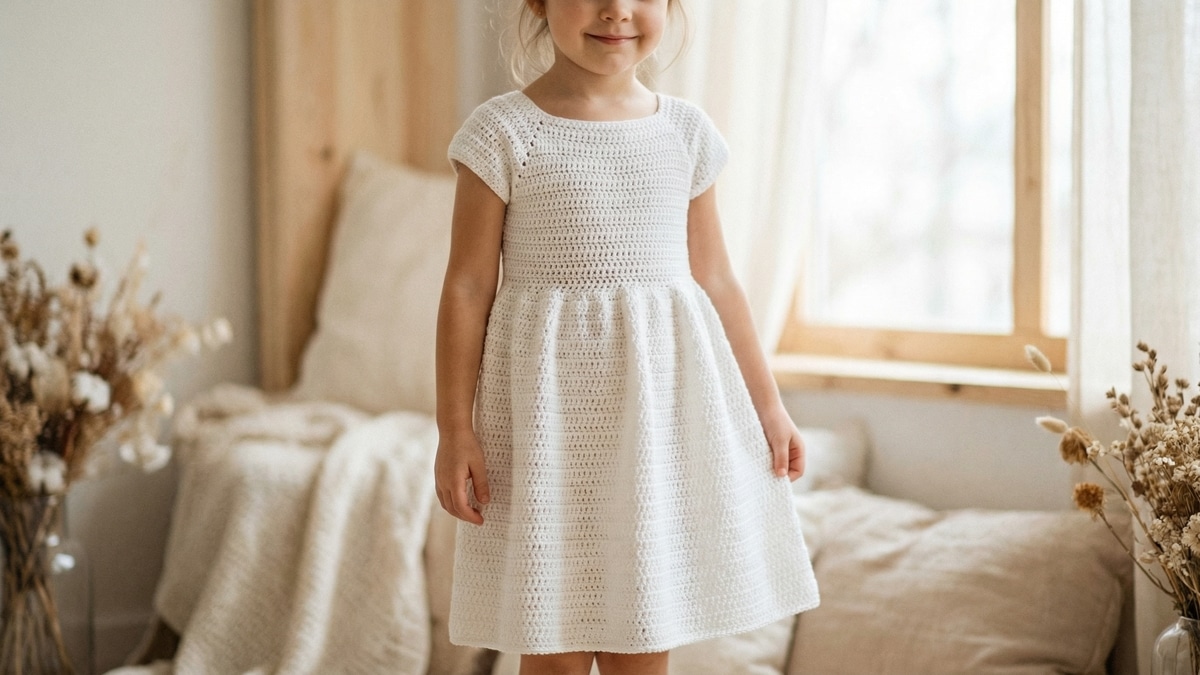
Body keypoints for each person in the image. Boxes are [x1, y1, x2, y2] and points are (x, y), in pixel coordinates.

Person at [434, 1, 819, 673]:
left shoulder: (686, 133)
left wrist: (770, 405)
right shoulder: (502, 132)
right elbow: (467, 287)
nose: (618, 10)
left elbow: (719, 281)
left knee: (641, 640)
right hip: (546, 429)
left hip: (652, 432)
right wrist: (453, 429)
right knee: (550, 646)